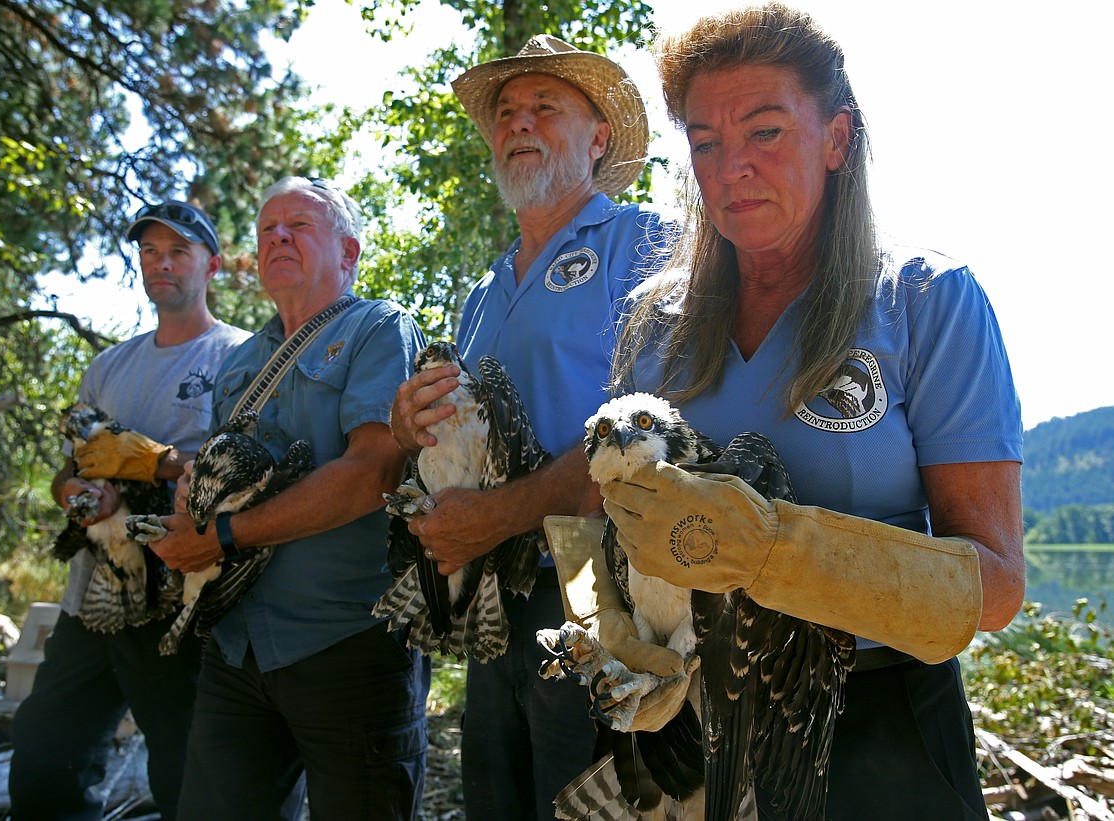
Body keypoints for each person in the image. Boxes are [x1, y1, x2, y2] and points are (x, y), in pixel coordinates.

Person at [578, 4, 1024, 819]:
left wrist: (776, 552)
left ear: (839, 137)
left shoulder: (925, 300)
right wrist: (603, 639)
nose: (729, 167)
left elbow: (992, 588)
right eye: (704, 142)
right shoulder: (652, 319)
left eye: (766, 132)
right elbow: (593, 525)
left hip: (876, 734)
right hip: (685, 726)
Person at [389, 35, 678, 820]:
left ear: (599, 138)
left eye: (545, 106)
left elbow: (649, 433)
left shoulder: (641, 242)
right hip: (497, 578)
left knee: (586, 791)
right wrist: (412, 426)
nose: (520, 123)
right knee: (498, 788)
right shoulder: (484, 290)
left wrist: (495, 513)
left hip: (597, 571)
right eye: (508, 112)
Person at [147, 177, 430, 820]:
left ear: (349, 252)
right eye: (266, 227)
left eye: (299, 225)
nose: (277, 235)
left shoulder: (378, 329)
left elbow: (372, 473)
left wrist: (222, 536)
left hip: (351, 644)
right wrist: (194, 503)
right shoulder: (242, 362)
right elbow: (222, 483)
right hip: (237, 647)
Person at [9, 201, 251, 820]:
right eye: (149, 252)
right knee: (44, 756)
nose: (160, 263)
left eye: (178, 251)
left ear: (212, 265)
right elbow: (71, 471)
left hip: (180, 598)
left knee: (188, 773)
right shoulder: (107, 367)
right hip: (93, 595)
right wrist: (83, 496)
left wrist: (149, 462)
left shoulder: (242, 358)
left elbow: (236, 477)